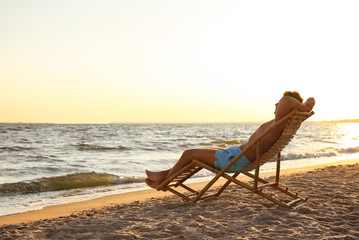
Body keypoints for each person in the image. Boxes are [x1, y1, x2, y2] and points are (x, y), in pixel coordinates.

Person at [145, 91, 315, 189]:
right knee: (201, 149)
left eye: (277, 103)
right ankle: (164, 175)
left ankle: (163, 182)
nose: (276, 105)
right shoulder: (281, 123)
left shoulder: (280, 122)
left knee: (189, 153)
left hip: (234, 160)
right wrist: (303, 107)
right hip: (235, 155)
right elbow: (287, 102)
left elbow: (287, 100)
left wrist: (306, 105)